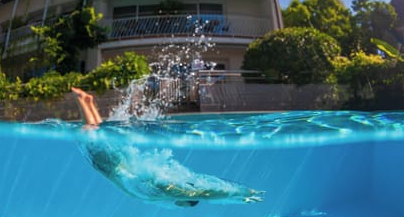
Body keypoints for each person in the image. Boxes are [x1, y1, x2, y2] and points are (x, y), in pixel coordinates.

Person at [71, 87, 264, 207]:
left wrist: (237, 195)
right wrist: (241, 194)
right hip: (113, 166)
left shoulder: (163, 193)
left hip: (118, 161)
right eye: (187, 204)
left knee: (98, 135)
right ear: (184, 196)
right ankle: (83, 101)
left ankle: (87, 102)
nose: (182, 207)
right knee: (87, 135)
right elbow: (208, 192)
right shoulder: (166, 190)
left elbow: (205, 190)